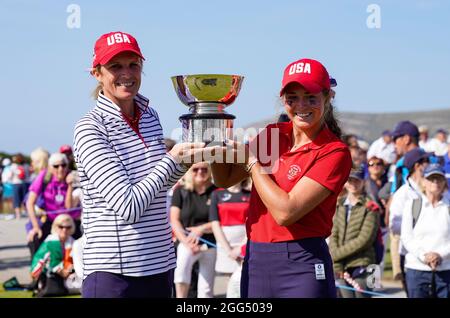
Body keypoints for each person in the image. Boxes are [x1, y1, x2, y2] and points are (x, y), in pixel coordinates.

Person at [73, 31, 209, 298]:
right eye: (115, 66)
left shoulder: (149, 115)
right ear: (97, 74)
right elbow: (129, 205)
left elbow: (159, 184)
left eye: (133, 64)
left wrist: (185, 162)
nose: (127, 73)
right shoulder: (90, 128)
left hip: (159, 265)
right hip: (115, 273)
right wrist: (172, 159)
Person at [211, 58, 352, 297]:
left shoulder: (334, 151)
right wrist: (213, 136)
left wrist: (252, 163)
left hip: (302, 262)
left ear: (327, 98)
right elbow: (224, 179)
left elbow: (286, 212)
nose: (301, 105)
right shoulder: (274, 135)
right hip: (256, 258)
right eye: (292, 98)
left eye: (311, 97)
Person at [329, 166, 380, 298]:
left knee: (360, 294)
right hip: (340, 264)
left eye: (357, 180)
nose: (353, 184)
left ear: (364, 181)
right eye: (350, 180)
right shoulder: (339, 204)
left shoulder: (371, 207)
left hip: (361, 264)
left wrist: (334, 255)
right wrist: (337, 264)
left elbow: (364, 240)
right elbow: (334, 233)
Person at [401, 164, 450, 298]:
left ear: (444, 182)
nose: (435, 182)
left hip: (445, 270)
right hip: (417, 271)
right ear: (423, 182)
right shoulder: (412, 205)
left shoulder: (448, 206)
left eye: (439, 179)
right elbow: (406, 237)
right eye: (431, 178)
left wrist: (441, 255)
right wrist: (424, 256)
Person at [170, 162, 217, 298]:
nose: (200, 172)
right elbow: (175, 220)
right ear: (189, 171)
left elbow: (220, 220)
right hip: (186, 243)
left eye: (204, 169)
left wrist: (201, 229)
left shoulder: (216, 191)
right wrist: (186, 242)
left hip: (209, 243)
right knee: (180, 278)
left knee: (206, 289)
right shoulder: (181, 191)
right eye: (196, 169)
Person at [389, 148, 430, 291]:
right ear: (418, 166)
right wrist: (417, 226)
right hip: (409, 255)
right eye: (427, 162)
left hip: (432, 251)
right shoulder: (403, 194)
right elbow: (394, 224)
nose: (429, 165)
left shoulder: (433, 191)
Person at [26, 152, 81, 256]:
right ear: (50, 167)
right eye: (56, 166)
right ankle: (38, 270)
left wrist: (70, 185)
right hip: (52, 221)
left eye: (63, 165)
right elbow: (30, 202)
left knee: (79, 247)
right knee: (35, 238)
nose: (60, 169)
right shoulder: (45, 176)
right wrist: (35, 226)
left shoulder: (73, 176)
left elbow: (69, 207)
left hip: (70, 221)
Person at [209, 179, 250, 297]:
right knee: (229, 284)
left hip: (245, 242)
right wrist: (228, 249)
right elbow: (215, 223)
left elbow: (253, 223)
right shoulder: (216, 194)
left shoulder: (250, 194)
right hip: (224, 243)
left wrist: (241, 247)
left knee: (243, 281)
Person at [30, 214, 81, 297]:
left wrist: (68, 271)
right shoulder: (51, 241)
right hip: (45, 274)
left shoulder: (73, 242)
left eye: (68, 227)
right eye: (61, 227)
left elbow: (73, 261)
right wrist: (63, 272)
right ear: (55, 227)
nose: (64, 230)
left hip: (65, 274)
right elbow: (52, 263)